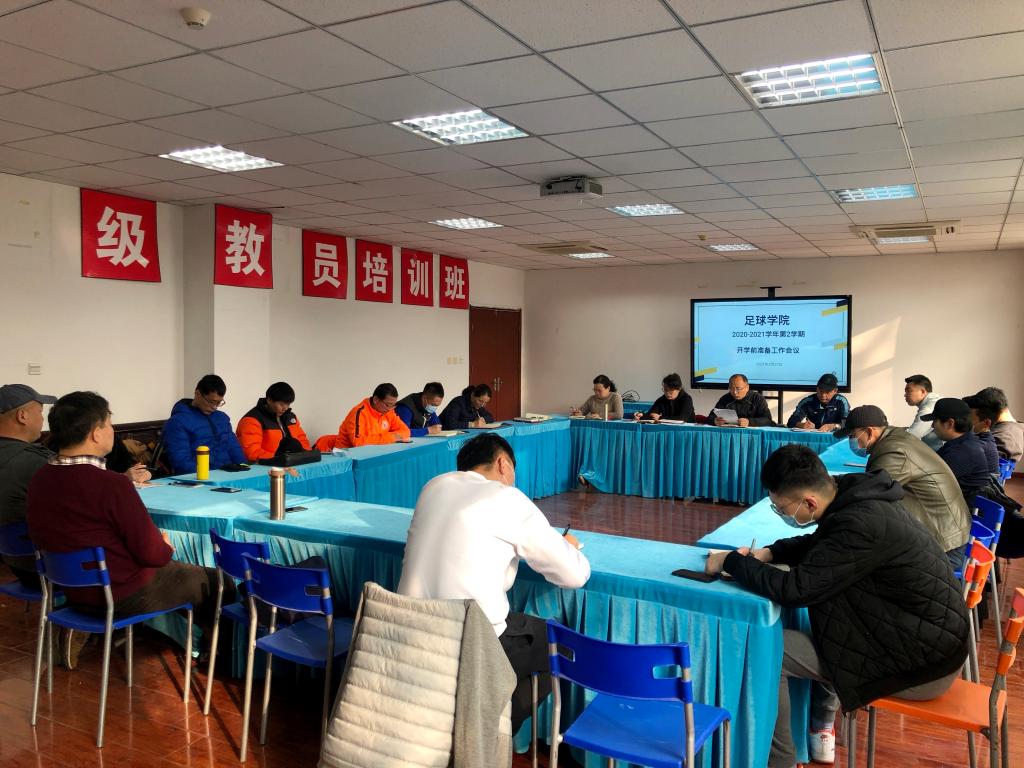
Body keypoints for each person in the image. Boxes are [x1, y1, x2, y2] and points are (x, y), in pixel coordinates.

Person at [705, 445, 969, 768]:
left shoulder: (861, 522)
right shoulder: (856, 498)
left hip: (921, 664)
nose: (781, 514)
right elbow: (823, 545)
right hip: (921, 639)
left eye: (781, 508)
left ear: (809, 502)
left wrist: (731, 562)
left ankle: (780, 761)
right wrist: (770, 553)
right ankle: (809, 731)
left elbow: (795, 590)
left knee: (768, 648)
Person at [398, 433, 590, 733]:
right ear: (503, 464)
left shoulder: (433, 487)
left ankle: (470, 724)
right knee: (562, 646)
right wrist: (569, 547)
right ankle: (486, 732)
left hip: (411, 629)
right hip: (471, 638)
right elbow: (573, 575)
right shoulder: (506, 498)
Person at [26, 392, 231, 669]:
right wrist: (164, 546)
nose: (112, 430)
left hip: (68, 590)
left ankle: (86, 629)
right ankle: (218, 660)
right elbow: (152, 555)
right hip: (121, 593)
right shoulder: (112, 485)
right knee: (218, 582)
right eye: (110, 423)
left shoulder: (39, 478)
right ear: (96, 433)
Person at [837, 405, 970, 571]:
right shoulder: (894, 438)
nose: (851, 441)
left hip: (946, 546)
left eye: (852, 436)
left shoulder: (894, 450)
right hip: (946, 533)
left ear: (870, 431)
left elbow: (869, 494)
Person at [0, 384, 57, 588]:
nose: (42, 419)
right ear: (22, 416)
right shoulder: (37, 462)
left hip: (13, 562)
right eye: (40, 412)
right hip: (53, 569)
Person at [163, 374, 246, 474]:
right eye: (211, 402)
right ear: (198, 394)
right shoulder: (177, 422)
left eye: (219, 403)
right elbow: (181, 462)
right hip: (202, 477)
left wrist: (244, 469)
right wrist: (211, 475)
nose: (215, 407)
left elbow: (235, 450)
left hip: (228, 473)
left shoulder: (222, 418)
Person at [925, 398, 996, 507]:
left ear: (950, 423)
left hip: (961, 511)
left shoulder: (964, 451)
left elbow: (928, 482)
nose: (932, 426)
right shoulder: (960, 442)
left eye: (935, 421)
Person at [236, 382, 311, 461]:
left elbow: (302, 440)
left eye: (288, 404)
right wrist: (280, 458)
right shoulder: (251, 420)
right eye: (281, 404)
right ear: (269, 400)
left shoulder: (291, 417)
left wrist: (307, 455)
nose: (285, 408)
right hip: (266, 465)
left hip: (291, 462)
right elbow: (252, 452)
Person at [336, 383, 412, 448]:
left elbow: (406, 431)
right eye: (387, 405)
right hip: (347, 455)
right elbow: (358, 442)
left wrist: (387, 438)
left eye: (393, 405)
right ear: (376, 399)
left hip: (375, 451)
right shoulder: (359, 413)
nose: (390, 409)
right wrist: (391, 437)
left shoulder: (389, 412)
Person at [966, 386, 1023, 463]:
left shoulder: (1001, 438)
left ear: (987, 421)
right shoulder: (1017, 428)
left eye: (972, 419)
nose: (971, 424)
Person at [785, 373, 850, 432]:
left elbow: (848, 424)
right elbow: (791, 422)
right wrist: (802, 425)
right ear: (817, 389)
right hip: (813, 437)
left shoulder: (842, 401)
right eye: (821, 391)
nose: (823, 395)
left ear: (835, 391)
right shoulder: (807, 401)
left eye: (827, 392)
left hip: (834, 437)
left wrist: (834, 426)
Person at [961, 392, 1002, 473]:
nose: (964, 421)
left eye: (969, 419)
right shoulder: (979, 438)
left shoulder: (979, 448)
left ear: (986, 423)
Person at [903, 374, 943, 450]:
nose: (905, 395)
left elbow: (911, 435)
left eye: (908, 391)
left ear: (922, 391)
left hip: (943, 454)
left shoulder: (929, 408)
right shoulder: (935, 401)